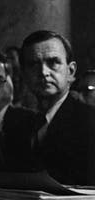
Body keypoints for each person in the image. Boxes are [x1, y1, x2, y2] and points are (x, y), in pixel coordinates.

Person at [19, 30, 95, 184]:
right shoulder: (21, 125)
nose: (43, 72)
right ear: (24, 74)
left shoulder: (90, 122)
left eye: (53, 62)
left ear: (71, 71)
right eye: (33, 64)